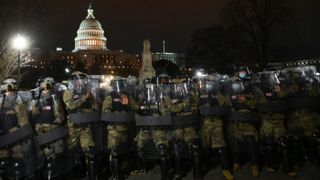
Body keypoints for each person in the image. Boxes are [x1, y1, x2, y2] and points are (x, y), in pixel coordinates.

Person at [31, 77, 73, 178]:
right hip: (39, 136)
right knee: (39, 161)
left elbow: (60, 118)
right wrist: (33, 113)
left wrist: (47, 126)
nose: (45, 91)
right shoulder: (35, 101)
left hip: (52, 135)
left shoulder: (55, 99)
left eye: (47, 89)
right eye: (43, 89)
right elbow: (31, 117)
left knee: (51, 160)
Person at [0, 78, 41, 179]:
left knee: (22, 168)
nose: (7, 93)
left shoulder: (19, 105)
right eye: (5, 91)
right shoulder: (0, 105)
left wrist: (13, 131)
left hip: (18, 142)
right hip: (3, 142)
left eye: (10, 91)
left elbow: (23, 123)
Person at [195, 74, 233, 180]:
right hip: (204, 123)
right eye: (206, 83)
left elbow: (225, 103)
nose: (208, 85)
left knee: (220, 147)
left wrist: (216, 93)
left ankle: (226, 170)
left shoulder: (216, 93)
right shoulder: (199, 93)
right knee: (203, 148)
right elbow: (194, 105)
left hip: (216, 122)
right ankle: (201, 170)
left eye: (210, 83)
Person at [63, 71, 100, 180]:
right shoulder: (68, 92)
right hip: (73, 127)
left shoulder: (87, 92)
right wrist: (83, 98)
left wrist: (94, 105)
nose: (82, 81)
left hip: (85, 126)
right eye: (80, 79)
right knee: (73, 153)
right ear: (74, 80)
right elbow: (70, 105)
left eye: (83, 79)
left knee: (91, 152)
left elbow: (95, 106)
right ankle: (77, 174)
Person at [257, 71, 296, 176]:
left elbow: (286, 95)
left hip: (279, 120)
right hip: (267, 120)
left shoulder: (279, 88)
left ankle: (288, 168)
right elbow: (260, 103)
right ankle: (272, 164)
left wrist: (278, 91)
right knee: (269, 144)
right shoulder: (260, 91)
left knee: (283, 143)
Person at [133, 77, 171, 180]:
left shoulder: (159, 99)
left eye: (151, 86)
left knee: (162, 149)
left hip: (157, 128)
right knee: (138, 145)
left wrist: (160, 113)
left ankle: (165, 176)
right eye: (146, 87)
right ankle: (142, 167)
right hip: (145, 129)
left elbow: (165, 113)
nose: (148, 88)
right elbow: (135, 110)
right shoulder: (141, 100)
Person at [228, 63, 262, 177]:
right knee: (235, 142)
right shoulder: (232, 86)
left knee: (250, 141)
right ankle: (236, 162)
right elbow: (228, 102)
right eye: (240, 72)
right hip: (236, 119)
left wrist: (245, 101)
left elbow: (256, 104)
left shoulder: (251, 87)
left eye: (243, 72)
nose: (241, 74)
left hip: (248, 118)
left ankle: (254, 165)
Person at [284, 66, 320, 167]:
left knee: (312, 139)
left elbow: (315, 96)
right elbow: (281, 96)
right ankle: (298, 160)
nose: (296, 76)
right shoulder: (286, 85)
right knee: (296, 140)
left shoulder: (309, 84)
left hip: (307, 116)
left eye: (298, 74)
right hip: (293, 117)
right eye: (293, 74)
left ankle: (314, 158)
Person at [101, 76, 135, 180]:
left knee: (124, 151)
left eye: (120, 83)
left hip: (125, 128)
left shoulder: (127, 96)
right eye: (116, 84)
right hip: (114, 129)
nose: (118, 86)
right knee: (114, 152)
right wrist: (118, 113)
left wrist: (128, 104)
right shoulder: (110, 97)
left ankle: (123, 170)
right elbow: (105, 112)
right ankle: (116, 175)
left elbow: (136, 107)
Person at [170, 77, 203, 180]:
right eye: (176, 86)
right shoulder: (168, 97)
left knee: (195, 147)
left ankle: (197, 173)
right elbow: (170, 108)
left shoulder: (190, 96)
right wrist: (184, 104)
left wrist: (189, 107)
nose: (178, 88)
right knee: (176, 147)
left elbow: (195, 108)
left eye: (180, 86)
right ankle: (178, 171)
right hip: (177, 127)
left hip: (189, 126)